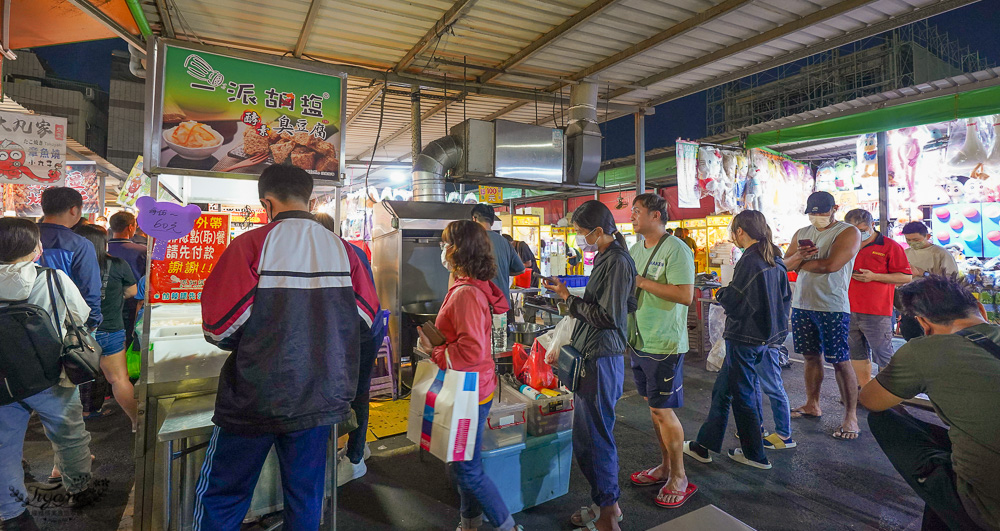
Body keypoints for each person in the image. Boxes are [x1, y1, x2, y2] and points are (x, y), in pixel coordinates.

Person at [194, 166, 379, 530]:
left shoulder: (249, 246)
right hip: (320, 398)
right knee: (305, 496)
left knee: (224, 495)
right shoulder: (348, 253)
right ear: (310, 199)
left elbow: (219, 329)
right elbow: (366, 324)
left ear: (266, 202)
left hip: (254, 399)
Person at [861, 275, 1000, 531]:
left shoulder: (924, 350)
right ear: (980, 309)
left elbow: (871, 400)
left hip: (988, 512)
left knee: (887, 419)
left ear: (923, 323)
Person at [415, 220, 520, 531]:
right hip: (475, 388)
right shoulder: (472, 286)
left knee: (466, 469)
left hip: (468, 393)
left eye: (446, 243)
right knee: (463, 462)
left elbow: (471, 350)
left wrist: (435, 350)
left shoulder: (466, 295)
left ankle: (506, 525)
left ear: (459, 250)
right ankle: (470, 523)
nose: (442, 249)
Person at [543, 200, 636, 531]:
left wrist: (570, 300)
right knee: (590, 436)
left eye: (583, 232)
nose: (581, 237)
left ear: (599, 231)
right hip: (595, 355)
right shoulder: (609, 259)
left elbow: (609, 316)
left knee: (594, 439)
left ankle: (609, 516)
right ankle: (606, 505)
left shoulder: (617, 261)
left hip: (600, 357)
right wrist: (573, 298)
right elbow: (626, 302)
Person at [0, 218, 97, 530]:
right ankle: (79, 488)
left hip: (3, 380)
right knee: (69, 434)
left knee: (3, 445)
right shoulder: (52, 279)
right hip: (51, 373)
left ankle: (13, 514)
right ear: (34, 248)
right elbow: (80, 315)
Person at [684, 210, 792, 470]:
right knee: (723, 391)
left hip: (745, 337)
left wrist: (721, 292)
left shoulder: (751, 260)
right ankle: (704, 445)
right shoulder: (775, 259)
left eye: (733, 231)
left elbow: (737, 300)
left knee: (743, 396)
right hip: (766, 338)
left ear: (740, 231)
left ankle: (755, 454)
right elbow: (784, 299)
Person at [625, 194, 696, 508]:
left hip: (664, 342)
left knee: (663, 411)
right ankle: (665, 467)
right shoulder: (634, 249)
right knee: (654, 408)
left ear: (656, 215)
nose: (632, 216)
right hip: (638, 339)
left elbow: (685, 295)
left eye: (637, 211)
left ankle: (679, 476)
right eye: (632, 211)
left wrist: (642, 283)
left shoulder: (676, 249)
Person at [313, 213, 386, 486]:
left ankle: (355, 460)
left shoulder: (339, 254)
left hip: (361, 333)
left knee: (357, 393)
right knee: (354, 392)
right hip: (361, 329)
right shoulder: (349, 250)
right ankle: (360, 445)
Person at [783, 191, 863, 440]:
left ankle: (851, 416)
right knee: (810, 357)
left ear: (834, 208)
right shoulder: (802, 232)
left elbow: (831, 265)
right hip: (803, 303)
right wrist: (796, 261)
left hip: (833, 306)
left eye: (821, 211)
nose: (816, 216)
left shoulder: (848, 232)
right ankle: (812, 403)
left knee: (840, 360)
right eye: (812, 212)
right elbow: (784, 263)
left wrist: (799, 262)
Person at [73, 225, 138, 426]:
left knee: (69, 385)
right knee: (119, 380)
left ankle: (75, 430)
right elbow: (133, 291)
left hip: (77, 334)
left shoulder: (71, 264)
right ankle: (137, 423)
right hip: (111, 329)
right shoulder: (117, 264)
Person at [844, 209, 911, 386]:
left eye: (863, 228)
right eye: (854, 229)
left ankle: (888, 393)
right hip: (846, 308)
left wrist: (875, 276)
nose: (859, 233)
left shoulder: (889, 246)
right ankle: (864, 390)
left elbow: (905, 277)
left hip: (877, 311)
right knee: (856, 353)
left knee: (884, 355)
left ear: (872, 225)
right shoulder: (845, 244)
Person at [37, 187, 102, 330]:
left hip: (18, 318)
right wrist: (92, 321)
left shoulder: (23, 236)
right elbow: (89, 289)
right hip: (65, 324)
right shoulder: (80, 245)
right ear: (74, 210)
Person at [471, 205, 524, 348]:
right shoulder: (505, 242)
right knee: (500, 348)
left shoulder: (471, 241)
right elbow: (520, 268)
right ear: (492, 221)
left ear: (474, 219)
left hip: (478, 306)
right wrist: (503, 270)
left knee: (480, 348)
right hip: (502, 306)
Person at [900, 221, 960, 341]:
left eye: (916, 239)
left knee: (934, 337)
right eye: (908, 240)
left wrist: (923, 273)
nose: (912, 243)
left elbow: (950, 280)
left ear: (927, 237)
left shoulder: (941, 254)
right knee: (911, 335)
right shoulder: (904, 253)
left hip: (933, 303)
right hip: (909, 302)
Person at [108, 211, 147, 352]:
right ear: (130, 227)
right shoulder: (142, 251)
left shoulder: (103, 249)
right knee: (129, 336)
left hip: (106, 303)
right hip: (132, 304)